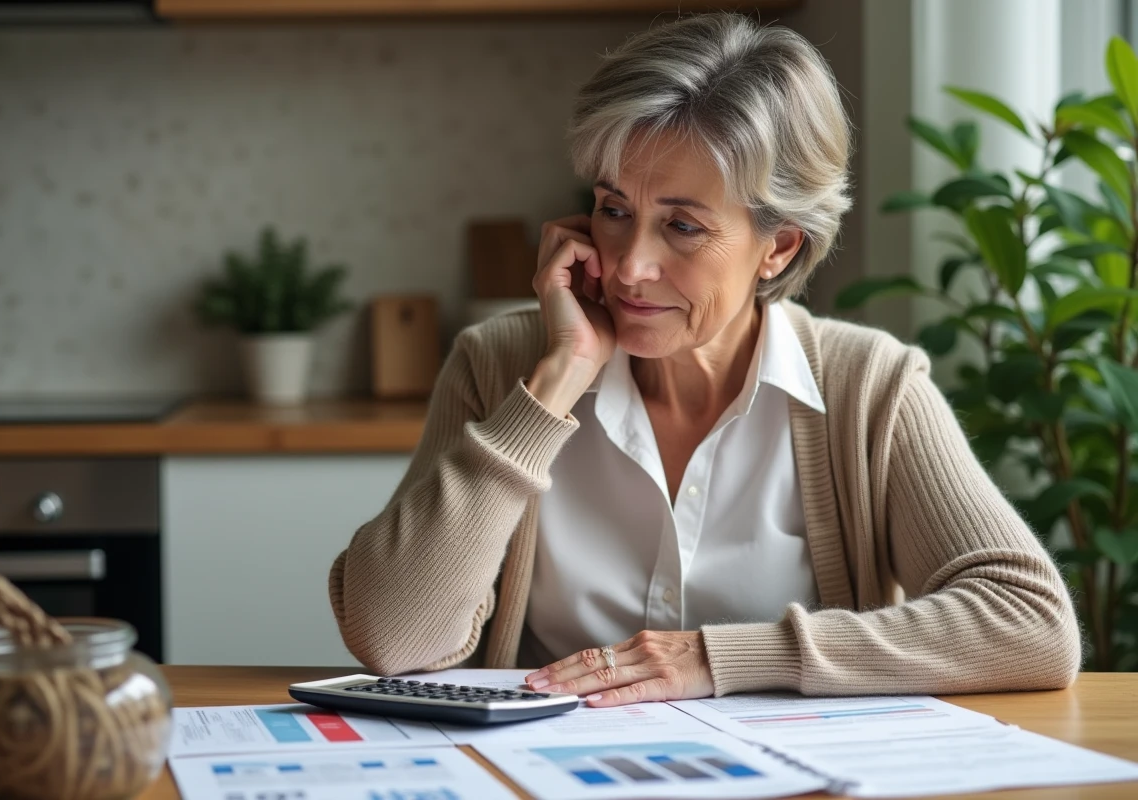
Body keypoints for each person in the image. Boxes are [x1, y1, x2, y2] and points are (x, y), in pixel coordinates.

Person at [329, 12, 1080, 706]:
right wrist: (552, 385)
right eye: (614, 210)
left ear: (778, 246)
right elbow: (393, 638)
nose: (627, 267)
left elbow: (1032, 624)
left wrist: (720, 658)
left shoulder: (867, 387)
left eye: (682, 227)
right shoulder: (499, 364)